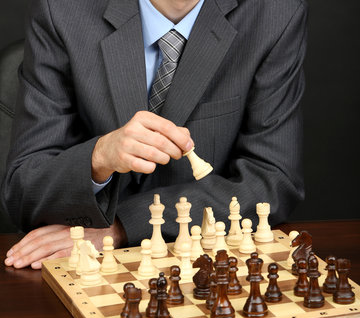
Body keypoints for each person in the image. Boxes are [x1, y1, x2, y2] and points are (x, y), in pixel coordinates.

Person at [2, 0, 307, 269]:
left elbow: (272, 179)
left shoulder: (275, 12)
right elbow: (23, 188)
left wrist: (122, 225)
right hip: (80, 269)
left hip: (210, 265)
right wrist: (99, 158)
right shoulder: (62, 10)